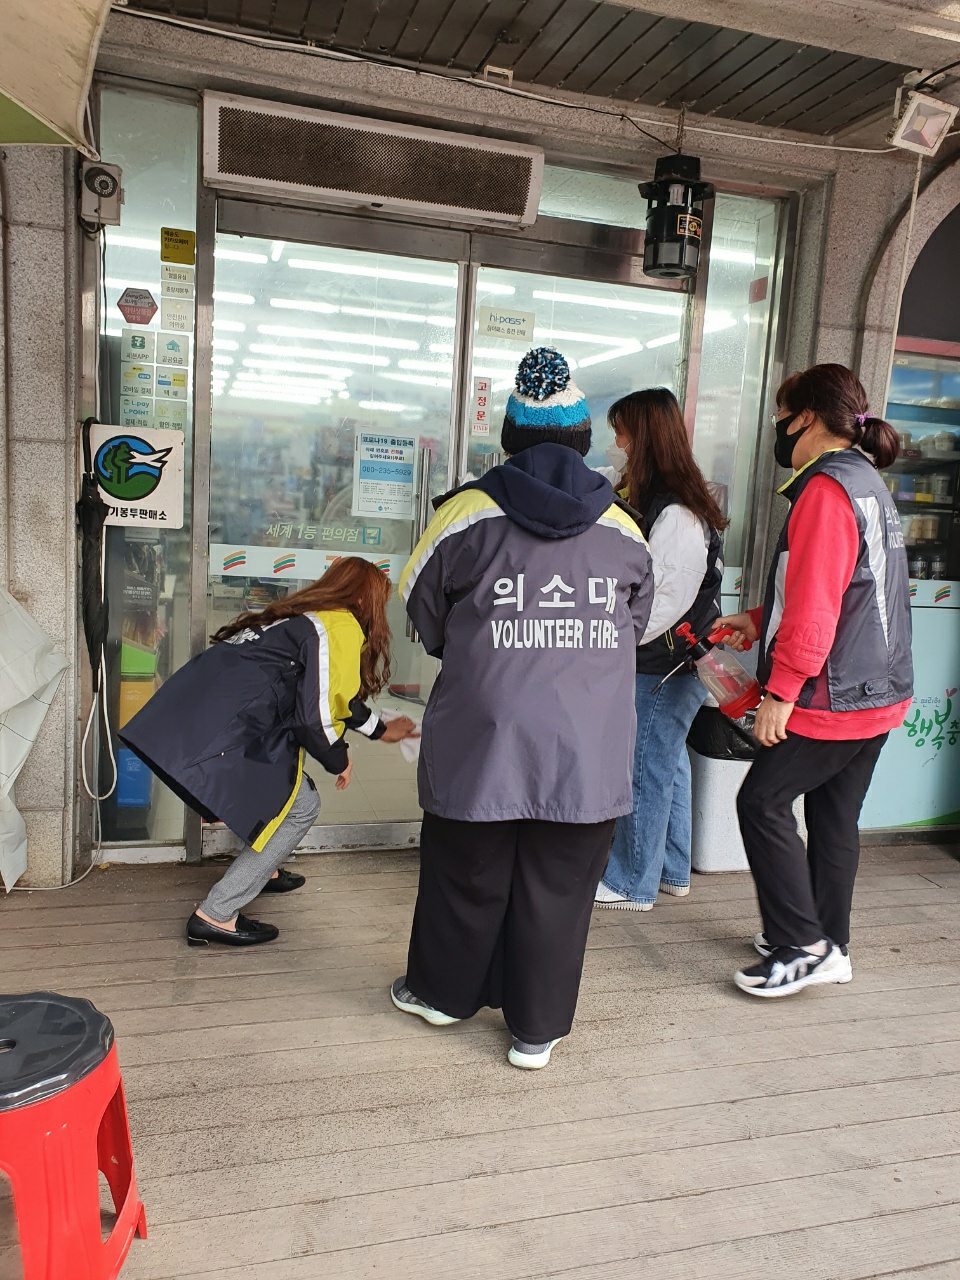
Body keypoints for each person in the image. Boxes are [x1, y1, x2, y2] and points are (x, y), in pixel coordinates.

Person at [391, 348, 655, 1069]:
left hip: (484, 737)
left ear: (508, 436)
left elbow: (421, 608)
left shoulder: (464, 513)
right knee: (560, 887)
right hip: (587, 746)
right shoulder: (623, 528)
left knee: (465, 872)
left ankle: (443, 996)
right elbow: (636, 623)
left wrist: (479, 647)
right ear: (583, 439)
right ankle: (535, 1031)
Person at [719, 363, 912, 998]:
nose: (777, 427)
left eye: (780, 415)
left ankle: (802, 945)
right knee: (834, 818)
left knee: (761, 801)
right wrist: (755, 621)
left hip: (834, 694)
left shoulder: (826, 490)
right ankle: (831, 944)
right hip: (879, 691)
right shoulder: (866, 482)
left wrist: (783, 691)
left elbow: (819, 606)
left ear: (805, 418)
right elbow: (847, 589)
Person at [118, 557, 418, 947]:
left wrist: (380, 730)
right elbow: (315, 717)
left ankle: (265, 869)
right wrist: (339, 759)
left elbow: (335, 697)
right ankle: (216, 913)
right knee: (301, 805)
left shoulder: (304, 617)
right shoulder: (340, 626)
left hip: (205, 716)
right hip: (230, 728)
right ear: (364, 599)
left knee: (280, 791)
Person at [593, 388, 727, 912]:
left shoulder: (677, 512)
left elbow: (666, 600)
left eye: (621, 433)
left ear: (644, 438)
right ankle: (670, 869)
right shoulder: (653, 496)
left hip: (663, 664)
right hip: (669, 661)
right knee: (666, 763)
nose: (616, 443)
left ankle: (631, 883)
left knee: (645, 767)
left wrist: (615, 643)